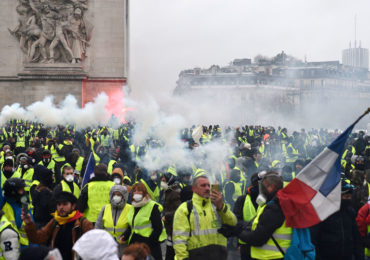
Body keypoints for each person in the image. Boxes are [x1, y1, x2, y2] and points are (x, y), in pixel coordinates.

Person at [218, 172, 291, 260]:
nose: (260, 190)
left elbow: (258, 238)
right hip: (267, 254)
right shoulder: (275, 203)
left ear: (271, 187)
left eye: (262, 187)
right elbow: (258, 227)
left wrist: (236, 232)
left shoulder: (274, 207)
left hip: (270, 257)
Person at [172, 173, 237, 260]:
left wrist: (221, 207)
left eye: (208, 185)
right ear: (194, 189)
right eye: (203, 185)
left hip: (219, 255)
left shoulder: (217, 205)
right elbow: (179, 239)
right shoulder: (185, 209)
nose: (207, 188)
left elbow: (233, 222)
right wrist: (183, 258)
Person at [22, 191, 93, 260]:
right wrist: (29, 224)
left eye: (65, 204)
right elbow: (37, 239)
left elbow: (92, 248)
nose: (61, 207)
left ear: (73, 206)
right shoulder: (55, 222)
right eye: (59, 204)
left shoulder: (83, 223)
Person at [311, 180, 364, 260]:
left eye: (349, 197)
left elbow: (356, 238)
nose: (348, 199)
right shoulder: (323, 213)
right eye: (346, 197)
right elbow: (314, 239)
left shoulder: (350, 213)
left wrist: (359, 256)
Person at [122, 183, 167, 260]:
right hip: (135, 245)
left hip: (149, 246)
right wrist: (125, 235)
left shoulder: (152, 206)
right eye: (134, 191)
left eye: (139, 190)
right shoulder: (133, 207)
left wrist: (149, 243)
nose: (136, 193)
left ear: (144, 192)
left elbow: (158, 228)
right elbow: (132, 225)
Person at [95, 185, 132, 254]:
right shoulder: (105, 208)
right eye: (114, 194)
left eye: (119, 195)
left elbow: (132, 227)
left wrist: (126, 236)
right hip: (107, 245)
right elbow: (98, 227)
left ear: (124, 196)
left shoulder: (130, 209)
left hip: (124, 245)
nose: (116, 196)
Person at [233, 173, 259, 260]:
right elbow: (236, 221)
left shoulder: (270, 199)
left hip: (264, 245)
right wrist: (239, 244)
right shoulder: (242, 199)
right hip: (246, 244)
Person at [1, 178, 32, 248]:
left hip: (29, 244)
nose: (24, 192)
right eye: (21, 190)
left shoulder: (24, 203)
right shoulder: (6, 207)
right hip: (17, 247)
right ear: (13, 192)